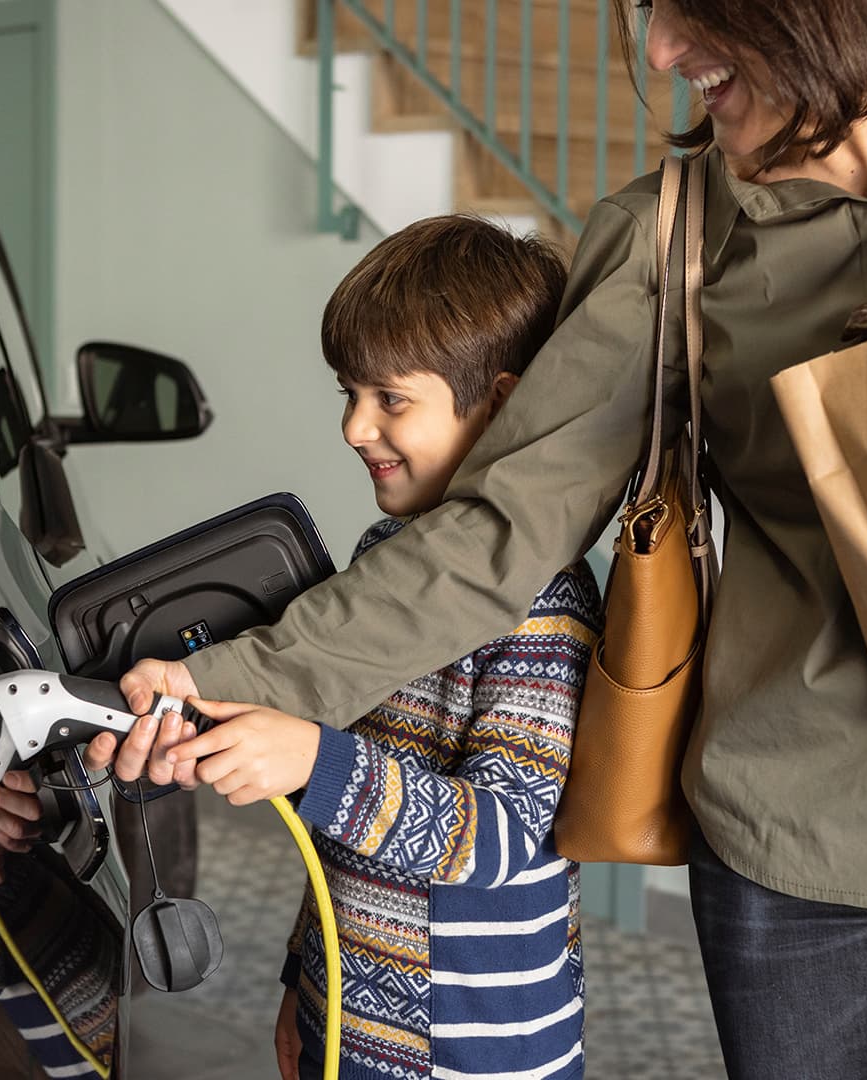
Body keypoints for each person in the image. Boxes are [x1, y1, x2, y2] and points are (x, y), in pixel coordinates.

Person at [91, 2, 867, 1077]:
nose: (659, 50)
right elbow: (499, 530)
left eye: (691, 8)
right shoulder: (666, 236)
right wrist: (225, 680)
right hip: (798, 832)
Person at [149, 215, 601, 1080]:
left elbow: (502, 836)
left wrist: (317, 762)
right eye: (348, 395)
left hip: (473, 1050)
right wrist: (305, 978)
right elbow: (347, 843)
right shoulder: (380, 562)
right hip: (351, 1021)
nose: (356, 427)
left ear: (501, 406)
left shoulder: (543, 600)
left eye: (390, 399)